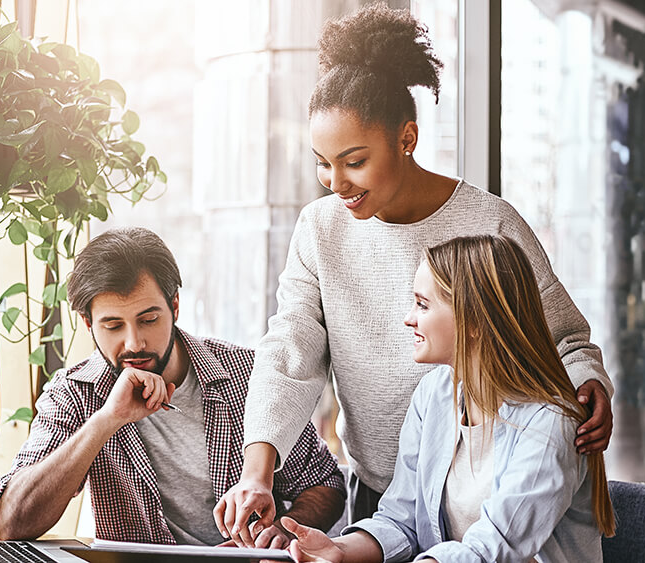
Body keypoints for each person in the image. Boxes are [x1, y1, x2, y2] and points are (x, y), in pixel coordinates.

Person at [215, 4, 614, 546]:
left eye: (354, 160)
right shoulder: (319, 229)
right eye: (322, 162)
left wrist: (586, 381)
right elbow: (290, 353)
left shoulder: (489, 222)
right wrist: (256, 474)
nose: (335, 181)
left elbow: (562, 337)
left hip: (493, 493)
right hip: (389, 501)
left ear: (407, 138)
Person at [0, 227, 346, 548]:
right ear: (88, 324)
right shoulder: (74, 393)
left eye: (149, 319)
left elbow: (325, 483)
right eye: (113, 326)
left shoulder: (249, 374)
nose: (134, 343)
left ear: (174, 305)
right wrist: (105, 421)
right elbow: (11, 523)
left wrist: (284, 532)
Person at [281, 235, 615, 562]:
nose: (409, 318)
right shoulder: (433, 396)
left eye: (423, 304)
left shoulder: (551, 422)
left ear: (474, 320)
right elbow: (401, 521)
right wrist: (338, 550)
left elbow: (492, 550)